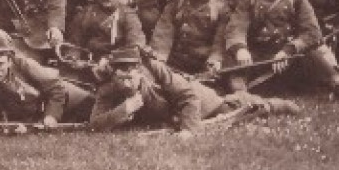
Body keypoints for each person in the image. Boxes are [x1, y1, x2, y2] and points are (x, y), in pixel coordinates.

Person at [90, 45, 297, 136]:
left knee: (234, 108)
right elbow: (95, 124)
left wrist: (189, 130)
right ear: (113, 73)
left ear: (140, 70)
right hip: (169, 116)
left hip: (194, 101)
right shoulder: (108, 89)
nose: (127, 79)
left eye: (132, 72)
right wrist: (124, 110)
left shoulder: (156, 71)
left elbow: (187, 97)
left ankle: (276, 104)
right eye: (121, 73)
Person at [0, 33, 92, 126]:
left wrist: (52, 116)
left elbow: (57, 89)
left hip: (70, 101)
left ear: (10, 61)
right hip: (34, 115)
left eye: (0, 64)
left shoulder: (26, 66)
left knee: (94, 117)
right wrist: (6, 129)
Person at [149, 0, 231, 77]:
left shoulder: (221, 8)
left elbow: (220, 39)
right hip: (177, 60)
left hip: (204, 62)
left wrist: (215, 59)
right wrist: (160, 55)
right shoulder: (175, 4)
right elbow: (164, 31)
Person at [66, 0, 147, 71]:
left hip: (117, 66)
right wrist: (73, 58)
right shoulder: (85, 13)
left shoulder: (128, 15)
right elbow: (74, 42)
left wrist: (110, 59)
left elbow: (134, 47)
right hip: (87, 65)